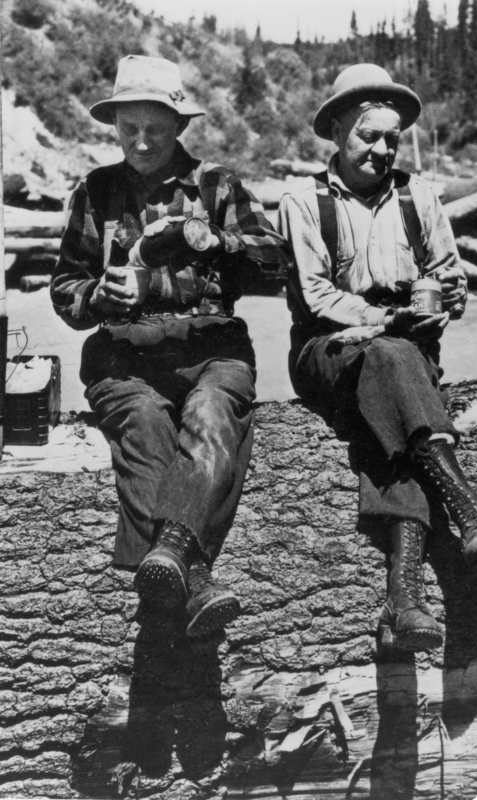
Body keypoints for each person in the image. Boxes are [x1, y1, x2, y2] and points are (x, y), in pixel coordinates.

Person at [51, 55, 290, 639]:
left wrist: (209, 240)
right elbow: (64, 288)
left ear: (179, 125)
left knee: (212, 413)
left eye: (153, 129)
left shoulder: (218, 184)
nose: (139, 142)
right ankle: (196, 575)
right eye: (126, 128)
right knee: (143, 424)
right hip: (124, 358)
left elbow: (273, 261)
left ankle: (168, 564)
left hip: (213, 349)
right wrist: (101, 298)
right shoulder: (96, 190)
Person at [277, 63, 477, 653]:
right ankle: (466, 504)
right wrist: (385, 320)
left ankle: (403, 601)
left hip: (407, 351)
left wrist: (449, 299)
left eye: (391, 139)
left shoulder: (421, 197)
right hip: (326, 349)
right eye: (367, 135)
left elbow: (448, 275)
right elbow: (316, 296)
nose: (381, 149)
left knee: (390, 417)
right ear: (335, 131)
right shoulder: (302, 202)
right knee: (387, 355)